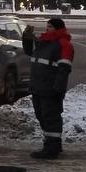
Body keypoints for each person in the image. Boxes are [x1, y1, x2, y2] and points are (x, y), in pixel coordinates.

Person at [29, 17, 73, 159]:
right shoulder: (45, 42)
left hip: (50, 88)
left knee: (50, 118)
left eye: (50, 27)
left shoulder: (63, 44)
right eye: (47, 26)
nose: (47, 29)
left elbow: (64, 69)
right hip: (38, 86)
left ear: (59, 29)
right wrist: (27, 38)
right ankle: (52, 144)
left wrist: (58, 88)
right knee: (41, 116)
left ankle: (51, 149)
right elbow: (30, 52)